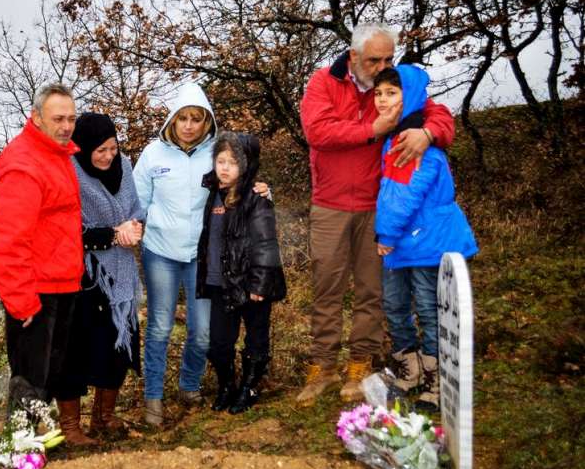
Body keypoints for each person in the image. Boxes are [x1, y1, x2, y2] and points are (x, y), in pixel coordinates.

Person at [297, 23, 456, 405]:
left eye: (388, 57)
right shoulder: (323, 83)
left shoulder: (396, 84)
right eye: (374, 59)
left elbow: (442, 117)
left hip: (377, 206)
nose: (383, 65)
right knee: (327, 287)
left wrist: (428, 134)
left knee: (372, 289)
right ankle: (323, 365)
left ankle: (359, 362)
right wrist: (373, 128)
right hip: (331, 203)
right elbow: (318, 131)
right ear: (353, 57)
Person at [0, 83, 94, 445]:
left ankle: (30, 453)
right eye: (58, 118)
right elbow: (8, 240)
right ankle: (15, 458)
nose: (66, 126)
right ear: (36, 118)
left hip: (62, 284)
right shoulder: (23, 164)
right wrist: (20, 301)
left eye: (71, 119)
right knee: (29, 382)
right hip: (36, 291)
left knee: (46, 379)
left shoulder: (56, 154)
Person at [373, 65, 478, 411]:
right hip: (404, 244)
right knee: (395, 305)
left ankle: (436, 379)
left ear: (411, 97)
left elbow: (405, 194)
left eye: (392, 93)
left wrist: (385, 234)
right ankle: (411, 368)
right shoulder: (394, 136)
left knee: (429, 309)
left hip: (426, 241)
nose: (383, 100)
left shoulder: (413, 139)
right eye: (378, 93)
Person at [133, 82, 218, 426]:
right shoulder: (154, 154)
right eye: (182, 118)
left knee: (202, 331)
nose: (188, 125)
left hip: (201, 253)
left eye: (195, 118)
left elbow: (235, 188)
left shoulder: (216, 153)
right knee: (159, 327)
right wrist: (137, 228)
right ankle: (153, 397)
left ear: (206, 122)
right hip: (161, 252)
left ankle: (189, 383)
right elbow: (138, 202)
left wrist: (260, 189)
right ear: (172, 119)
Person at [60, 112, 145, 437]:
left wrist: (135, 228)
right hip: (82, 277)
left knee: (116, 347)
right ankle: (70, 426)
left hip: (120, 276)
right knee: (76, 351)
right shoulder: (71, 171)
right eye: (101, 150)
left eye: (112, 147)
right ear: (83, 148)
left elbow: (136, 210)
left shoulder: (123, 165)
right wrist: (112, 234)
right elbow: (69, 229)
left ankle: (103, 418)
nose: (109, 155)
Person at [196, 132, 287, 414]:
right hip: (220, 283)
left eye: (232, 163)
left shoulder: (257, 198)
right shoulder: (213, 192)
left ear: (246, 165)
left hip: (252, 285)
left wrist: (259, 284)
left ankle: (249, 387)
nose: (224, 168)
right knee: (218, 343)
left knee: (256, 338)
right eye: (220, 161)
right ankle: (227, 385)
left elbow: (265, 244)